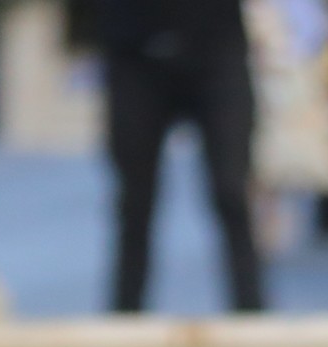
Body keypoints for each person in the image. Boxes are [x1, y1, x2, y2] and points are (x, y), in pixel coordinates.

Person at [97, 0, 267, 312]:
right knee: (135, 201)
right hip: (134, 47)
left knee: (232, 191)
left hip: (216, 44)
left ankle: (252, 314)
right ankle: (125, 317)